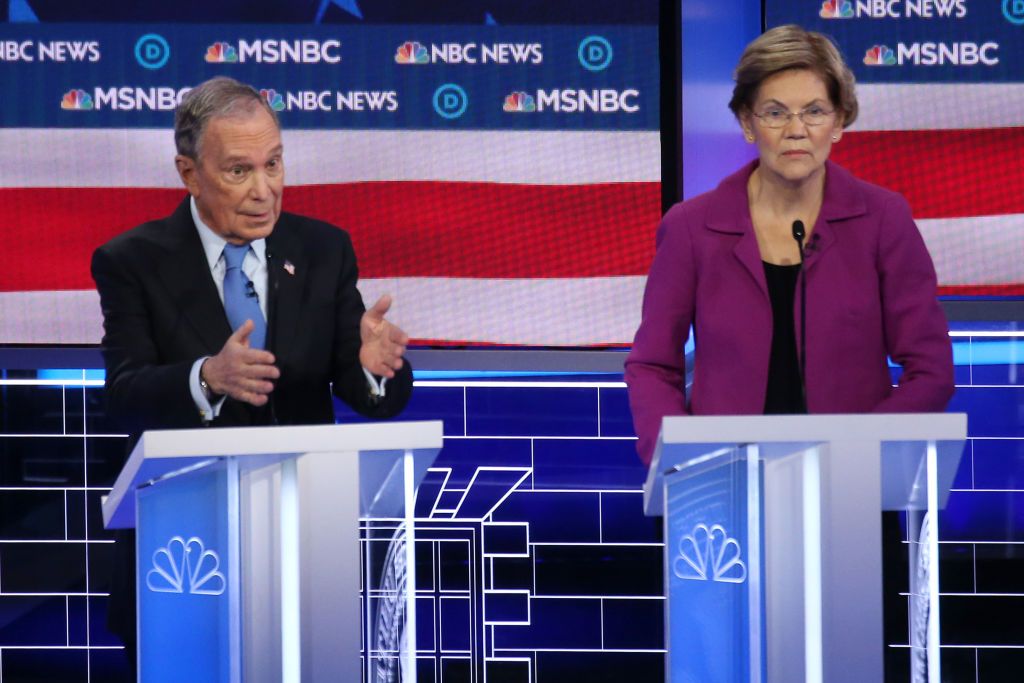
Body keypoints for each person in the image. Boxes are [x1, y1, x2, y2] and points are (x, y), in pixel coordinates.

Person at [91, 76, 414, 675]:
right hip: (180, 563)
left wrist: (374, 370)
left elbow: (368, 392)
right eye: (239, 171)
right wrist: (207, 377)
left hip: (305, 558)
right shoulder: (131, 261)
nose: (265, 191)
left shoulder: (323, 250)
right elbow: (124, 395)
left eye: (274, 163)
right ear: (189, 173)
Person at [625, 25, 954, 465]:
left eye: (814, 111)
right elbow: (652, 366)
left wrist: (868, 448)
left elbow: (931, 369)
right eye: (776, 113)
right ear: (747, 122)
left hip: (853, 484)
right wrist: (676, 459)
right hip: (722, 487)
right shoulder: (692, 228)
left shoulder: (882, 221)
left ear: (839, 121)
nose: (796, 130)